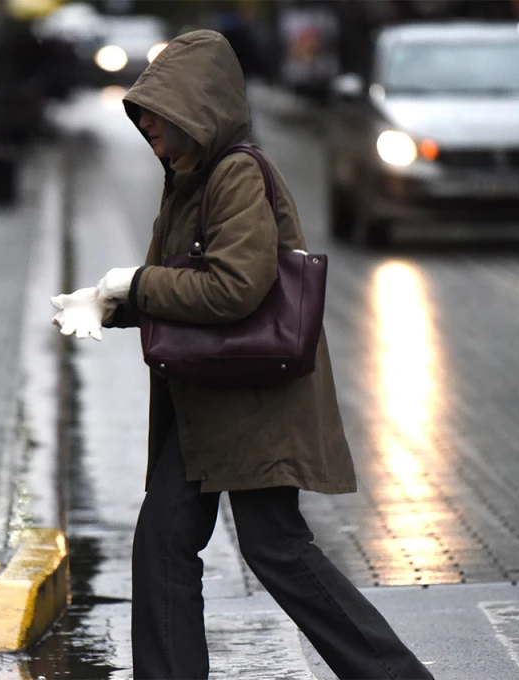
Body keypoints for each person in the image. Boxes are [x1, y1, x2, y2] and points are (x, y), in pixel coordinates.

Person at [49, 30, 435, 680]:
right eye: (142, 113)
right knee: (168, 545)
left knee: (272, 547)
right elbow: (185, 286)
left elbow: (235, 286)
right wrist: (111, 302)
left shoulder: (233, 175)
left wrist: (133, 285)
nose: (146, 124)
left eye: (159, 112)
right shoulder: (189, 179)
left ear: (197, 110)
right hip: (215, 403)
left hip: (254, 401)